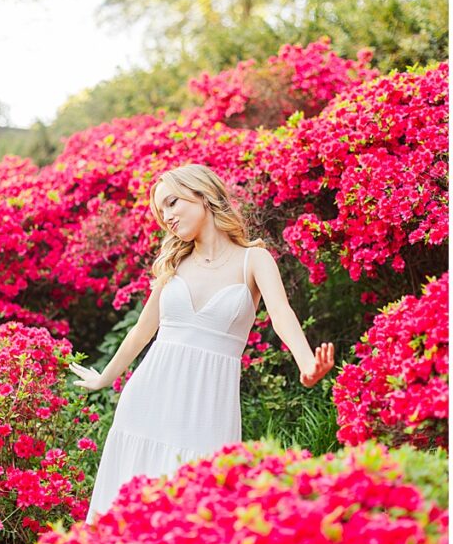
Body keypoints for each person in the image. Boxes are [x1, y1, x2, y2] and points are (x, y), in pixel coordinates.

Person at [69, 164, 333, 524]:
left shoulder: (252, 260)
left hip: (208, 410)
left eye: (172, 203)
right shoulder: (174, 266)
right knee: (128, 521)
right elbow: (142, 332)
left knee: (197, 520)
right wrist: (104, 378)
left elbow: (282, 314)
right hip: (147, 406)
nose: (167, 217)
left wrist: (306, 362)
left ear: (203, 195)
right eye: (161, 211)